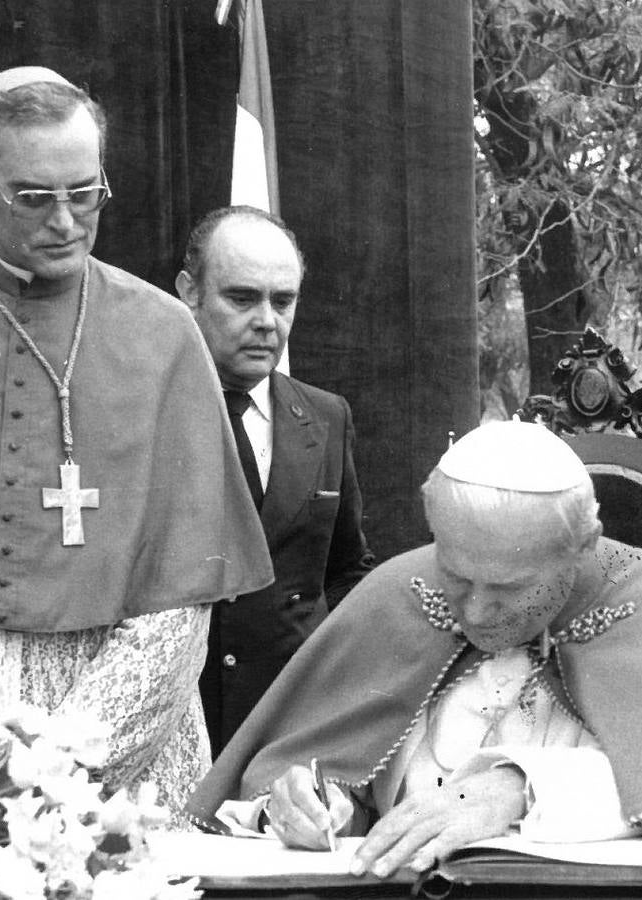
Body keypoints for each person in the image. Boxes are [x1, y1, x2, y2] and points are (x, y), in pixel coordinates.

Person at [0, 67, 273, 824]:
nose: (65, 222)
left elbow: (178, 604)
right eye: (36, 198)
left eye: (85, 195)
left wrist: (71, 761)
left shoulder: (164, 335)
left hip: (126, 757)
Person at [186, 419, 642, 875]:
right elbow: (319, 765)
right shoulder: (399, 590)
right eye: (457, 577)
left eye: (509, 588)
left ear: (582, 544)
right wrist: (312, 803)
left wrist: (518, 788)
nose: (474, 610)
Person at [175, 206, 374, 755]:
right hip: (181, 720)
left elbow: (346, 570)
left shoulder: (327, 416)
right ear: (190, 293)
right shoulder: (147, 412)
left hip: (290, 724)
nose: (268, 321)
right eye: (242, 299)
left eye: (283, 301)